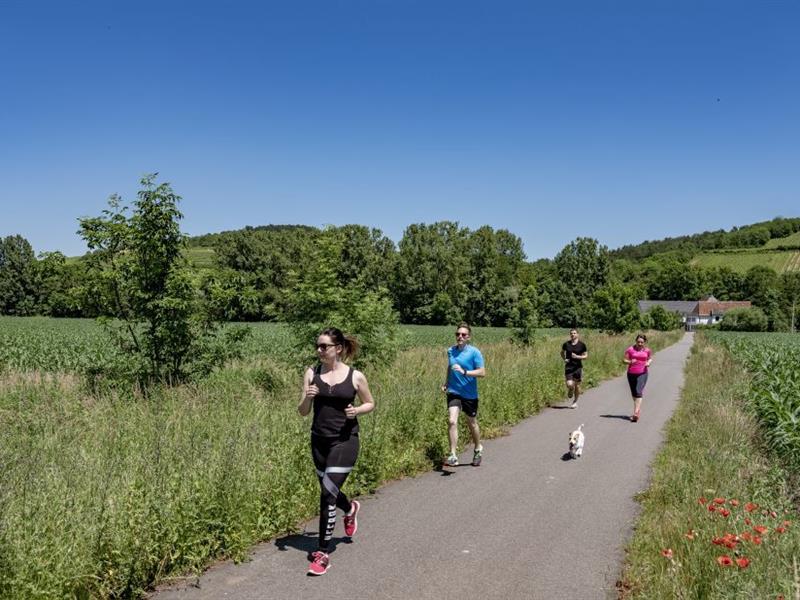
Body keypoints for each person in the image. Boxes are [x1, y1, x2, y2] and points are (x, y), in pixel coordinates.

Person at [298, 327, 376, 576]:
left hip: (345, 440)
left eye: (324, 346)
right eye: (317, 346)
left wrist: (357, 411)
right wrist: (309, 397)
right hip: (319, 440)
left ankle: (322, 553)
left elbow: (370, 403)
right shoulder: (311, 373)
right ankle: (350, 508)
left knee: (326, 493)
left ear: (338, 349)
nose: (319, 350)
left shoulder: (355, 376)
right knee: (330, 489)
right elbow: (302, 411)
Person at [441, 323, 486, 467]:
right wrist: (447, 382)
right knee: (452, 421)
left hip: (469, 394)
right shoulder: (451, 351)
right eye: (458, 334)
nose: (460, 337)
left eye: (463, 335)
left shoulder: (474, 352)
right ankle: (453, 454)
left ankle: (478, 448)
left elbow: (482, 372)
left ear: (468, 337)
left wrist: (465, 372)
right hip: (454, 392)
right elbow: (450, 366)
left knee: (471, 423)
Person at [624, 333, 652, 422]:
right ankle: (638, 408)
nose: (640, 344)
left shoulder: (647, 350)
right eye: (638, 342)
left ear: (644, 342)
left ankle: (636, 413)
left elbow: (650, 358)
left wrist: (648, 363)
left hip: (643, 373)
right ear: (636, 341)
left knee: (638, 391)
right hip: (631, 373)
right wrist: (630, 361)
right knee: (634, 393)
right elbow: (624, 360)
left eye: (642, 342)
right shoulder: (630, 349)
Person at [560, 328, 588, 408]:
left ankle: (575, 402)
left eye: (574, 333)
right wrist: (564, 358)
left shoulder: (582, 345)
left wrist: (577, 356)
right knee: (569, 384)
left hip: (578, 367)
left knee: (577, 386)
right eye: (571, 333)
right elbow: (562, 352)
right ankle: (571, 389)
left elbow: (586, 356)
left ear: (578, 334)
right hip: (569, 367)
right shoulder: (566, 344)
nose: (573, 334)